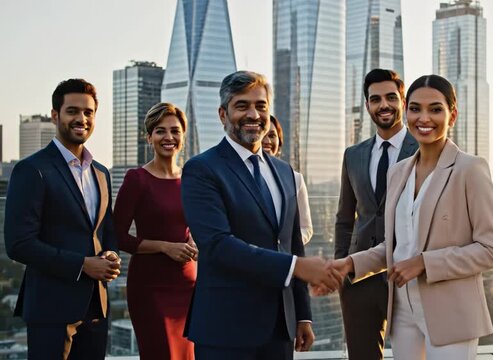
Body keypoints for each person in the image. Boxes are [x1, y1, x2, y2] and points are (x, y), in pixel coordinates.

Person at [333, 74, 493, 360]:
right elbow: (396, 245)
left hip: (451, 313)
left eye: (435, 109)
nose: (423, 118)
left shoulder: (470, 169)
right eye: (415, 108)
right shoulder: (398, 171)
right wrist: (350, 263)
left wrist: (424, 263)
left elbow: (492, 250)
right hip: (402, 310)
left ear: (453, 115)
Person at [181, 70, 343, 360]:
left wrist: (302, 314)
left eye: (261, 106)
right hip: (225, 328)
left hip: (280, 327)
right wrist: (297, 267)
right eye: (242, 105)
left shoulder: (285, 173)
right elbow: (217, 245)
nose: (253, 114)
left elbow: (292, 243)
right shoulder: (202, 169)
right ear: (223, 114)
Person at [4, 78, 121, 359]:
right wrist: (82, 265)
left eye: (88, 112)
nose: (81, 118)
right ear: (56, 115)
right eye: (72, 111)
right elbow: (19, 244)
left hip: (96, 308)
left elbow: (105, 233)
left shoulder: (102, 172)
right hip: (51, 309)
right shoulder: (32, 170)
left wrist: (111, 256)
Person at [334, 68, 417, 359]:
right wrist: (341, 266)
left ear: (403, 101)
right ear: (367, 104)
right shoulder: (353, 155)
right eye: (375, 99)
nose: (384, 105)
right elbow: (345, 218)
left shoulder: (423, 148)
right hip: (358, 278)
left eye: (391, 97)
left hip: (408, 273)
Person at [113, 103, 197, 359]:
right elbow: (118, 237)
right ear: (149, 137)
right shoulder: (136, 179)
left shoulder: (192, 178)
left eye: (175, 131)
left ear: (183, 135)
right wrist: (164, 246)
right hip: (151, 287)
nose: (169, 137)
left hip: (189, 283)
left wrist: (195, 240)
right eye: (160, 131)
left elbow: (199, 224)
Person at [261, 115, 313, 244]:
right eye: (263, 135)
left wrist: (287, 243)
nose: (267, 140)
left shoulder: (295, 178)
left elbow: (306, 227)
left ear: (279, 142)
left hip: (286, 258)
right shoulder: (240, 176)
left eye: (272, 135)